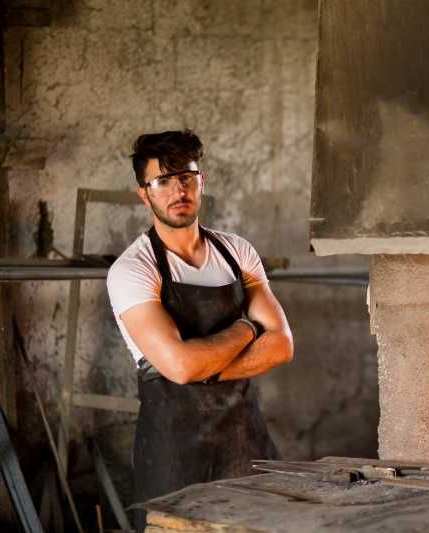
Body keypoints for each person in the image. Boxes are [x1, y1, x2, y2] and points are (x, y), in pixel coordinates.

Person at [106, 130, 292, 532]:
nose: (178, 190)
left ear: (201, 181)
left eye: (186, 178)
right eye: (163, 181)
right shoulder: (134, 269)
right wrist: (245, 328)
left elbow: (280, 346)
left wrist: (202, 366)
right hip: (174, 453)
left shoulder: (237, 253)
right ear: (145, 193)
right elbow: (179, 366)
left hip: (246, 444)